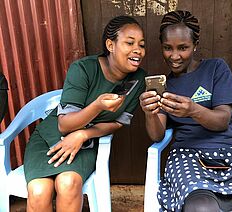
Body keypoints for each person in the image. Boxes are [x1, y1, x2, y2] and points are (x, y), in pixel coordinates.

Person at [139, 10, 232, 212]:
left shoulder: (215, 69)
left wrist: (193, 109)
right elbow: (157, 134)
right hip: (188, 155)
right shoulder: (165, 86)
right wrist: (150, 112)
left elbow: (222, 120)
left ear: (195, 46)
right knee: (201, 207)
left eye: (183, 48)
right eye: (167, 48)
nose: (175, 56)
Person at [24, 15, 146, 212]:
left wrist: (83, 134)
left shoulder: (139, 79)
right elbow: (64, 125)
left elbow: (118, 122)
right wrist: (97, 106)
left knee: (68, 182)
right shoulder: (83, 69)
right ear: (110, 45)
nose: (138, 50)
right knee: (39, 190)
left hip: (86, 143)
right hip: (50, 136)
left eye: (141, 45)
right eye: (129, 43)